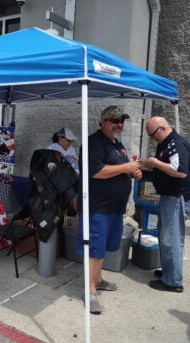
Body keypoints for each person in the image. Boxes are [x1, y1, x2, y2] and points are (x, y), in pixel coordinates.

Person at [78, 105, 141, 314]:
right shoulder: (93, 143)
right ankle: (90, 290)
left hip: (114, 207)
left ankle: (98, 278)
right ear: (103, 121)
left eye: (122, 120)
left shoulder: (117, 144)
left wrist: (133, 172)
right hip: (98, 207)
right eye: (115, 121)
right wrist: (126, 168)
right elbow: (95, 172)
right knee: (94, 248)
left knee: (103, 247)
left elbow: (119, 169)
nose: (119, 124)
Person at [142, 116, 190, 293]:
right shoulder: (165, 143)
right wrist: (148, 166)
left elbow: (180, 172)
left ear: (163, 128)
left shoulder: (176, 144)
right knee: (165, 237)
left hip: (177, 198)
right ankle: (168, 272)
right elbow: (165, 168)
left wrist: (155, 163)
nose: (152, 138)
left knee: (171, 239)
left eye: (152, 134)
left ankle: (173, 281)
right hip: (169, 197)